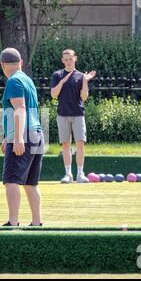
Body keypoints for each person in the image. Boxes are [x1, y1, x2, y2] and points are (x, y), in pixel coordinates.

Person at [0, 48, 44, 227]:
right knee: (30, 183)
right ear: (21, 63)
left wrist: (17, 138)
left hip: (24, 135)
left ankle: (13, 221)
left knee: (11, 181)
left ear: (2, 65)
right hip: (37, 133)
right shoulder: (27, 80)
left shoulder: (13, 81)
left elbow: (20, 109)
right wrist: (7, 136)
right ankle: (36, 222)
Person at [50, 49, 96, 184]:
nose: (68, 62)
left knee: (80, 144)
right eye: (66, 59)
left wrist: (85, 81)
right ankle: (68, 174)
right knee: (65, 144)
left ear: (75, 59)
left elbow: (84, 97)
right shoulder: (57, 75)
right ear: (62, 61)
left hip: (78, 114)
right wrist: (63, 81)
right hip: (62, 114)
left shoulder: (81, 76)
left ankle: (80, 174)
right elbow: (53, 95)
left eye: (71, 59)